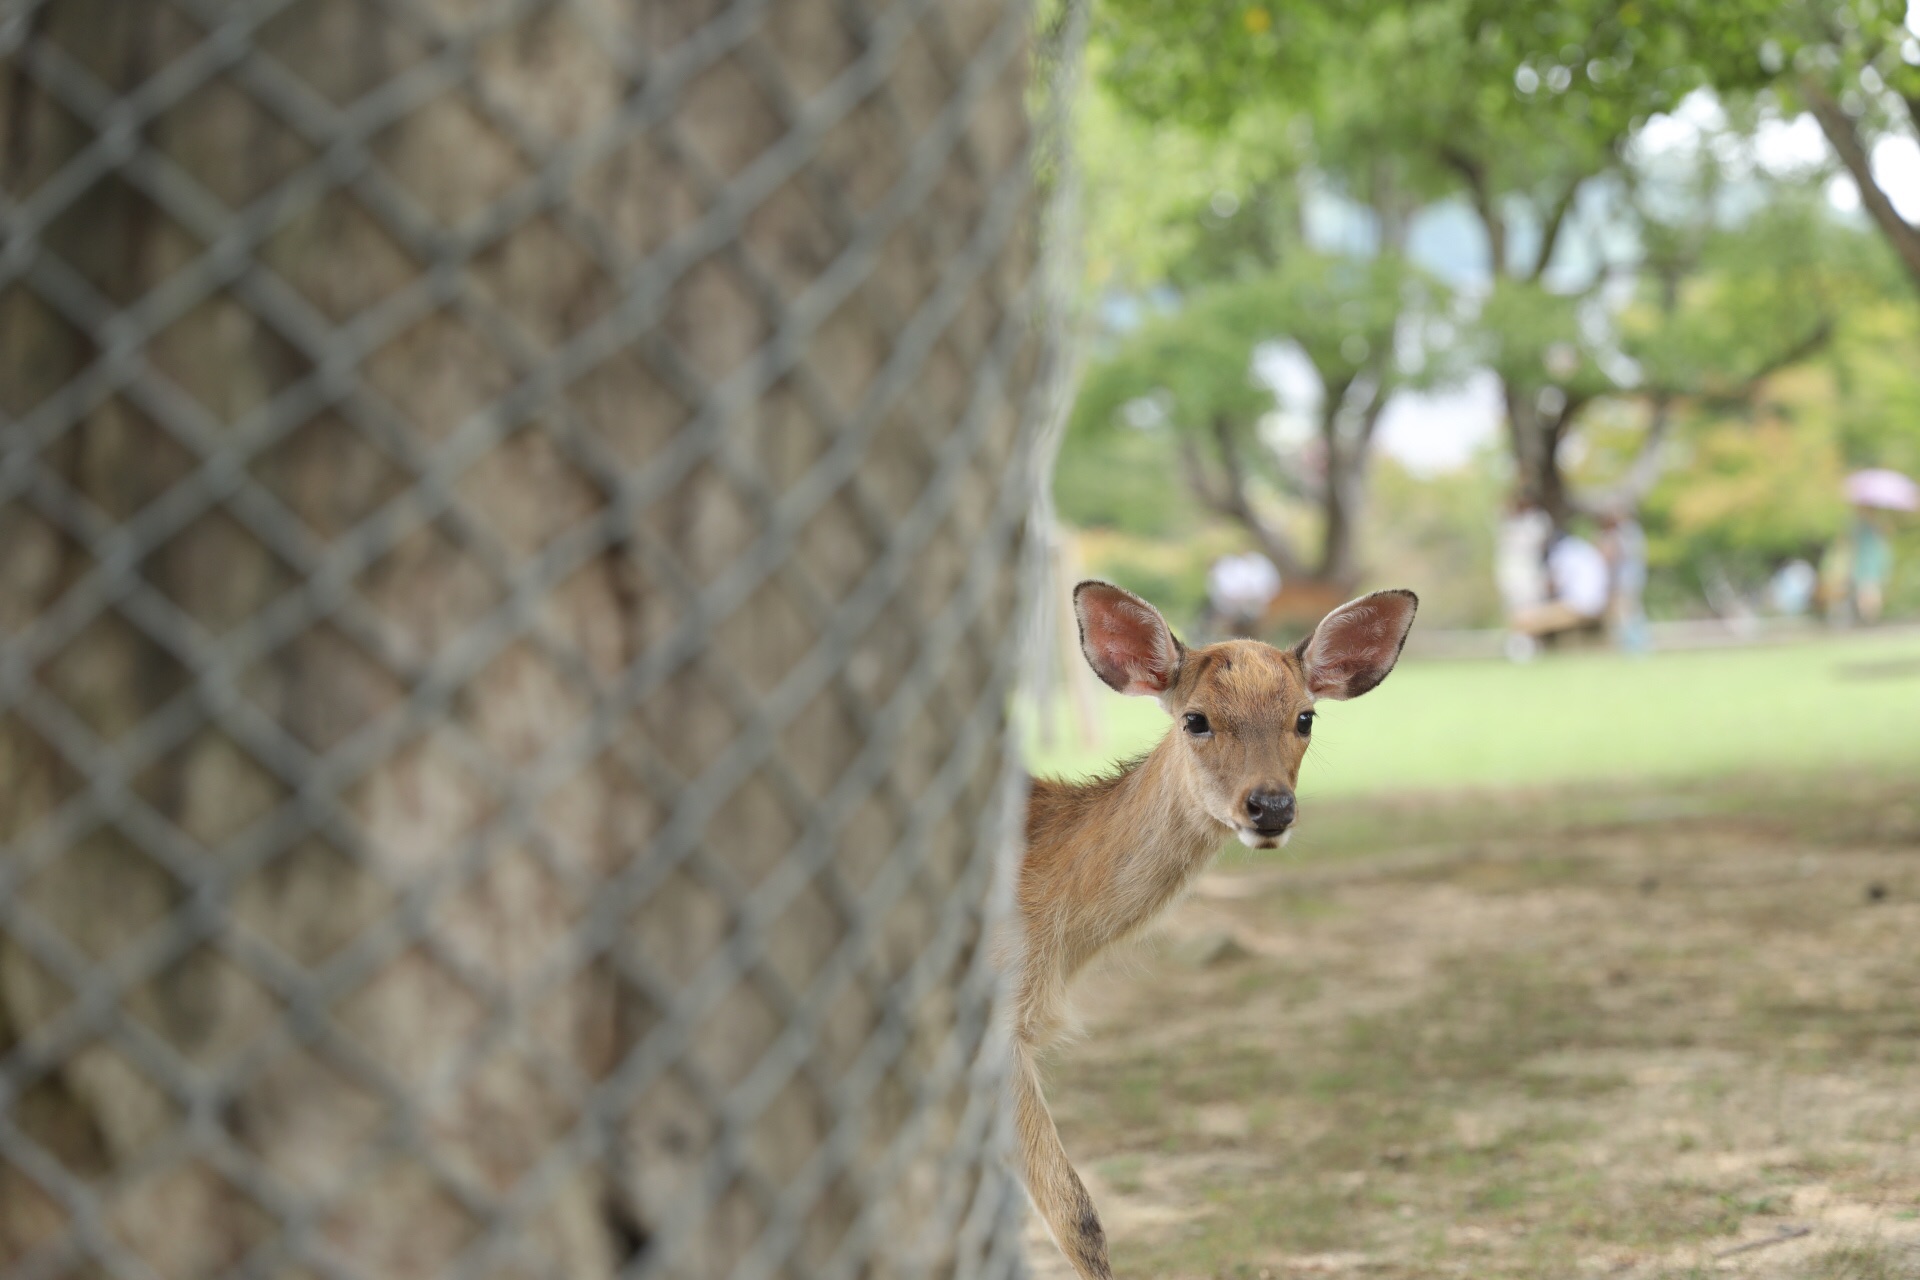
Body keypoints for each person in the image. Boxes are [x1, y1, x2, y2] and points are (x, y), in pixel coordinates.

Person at [1506, 529, 1609, 657]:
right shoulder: (1583, 549)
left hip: (1579, 605)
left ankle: (1522, 651)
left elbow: (1553, 585)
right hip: (1595, 604)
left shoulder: (1563, 552)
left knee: (1524, 618)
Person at [1495, 495, 1553, 662]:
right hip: (1512, 576)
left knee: (1531, 610)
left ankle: (1530, 645)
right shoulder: (1508, 523)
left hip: (1529, 575)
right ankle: (1519, 647)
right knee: (1516, 611)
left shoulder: (1536, 522)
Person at [1598, 510, 1650, 654]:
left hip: (1625, 582)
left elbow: (1611, 556)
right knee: (1632, 613)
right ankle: (1635, 647)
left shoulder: (1624, 532)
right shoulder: (1633, 531)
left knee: (1626, 615)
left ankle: (1634, 649)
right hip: (1631, 580)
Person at [1205, 550, 1281, 636]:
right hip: (1234, 605)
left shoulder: (1247, 565)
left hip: (1255, 598)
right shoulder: (1218, 576)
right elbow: (1227, 594)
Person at [1849, 508, 1893, 625]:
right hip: (1865, 564)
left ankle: (1870, 617)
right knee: (1866, 591)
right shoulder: (1859, 526)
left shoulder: (1875, 526)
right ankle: (1868, 617)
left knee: (1870, 591)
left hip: (1871, 564)